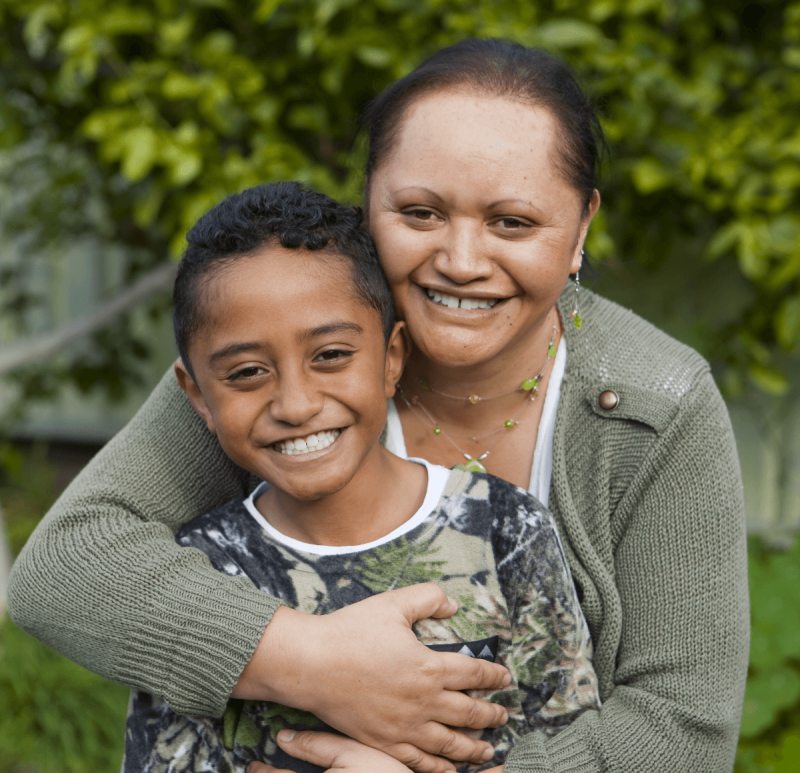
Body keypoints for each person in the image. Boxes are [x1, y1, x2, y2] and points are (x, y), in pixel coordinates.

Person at [7, 38, 749, 773]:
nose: (460, 261)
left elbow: (681, 728)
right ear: (370, 198)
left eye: (512, 223)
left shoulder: (657, 409)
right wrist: (311, 661)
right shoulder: (301, 359)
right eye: (421, 213)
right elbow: (67, 565)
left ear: (581, 226)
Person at [123, 181, 600, 772]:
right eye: (247, 372)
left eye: (330, 356)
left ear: (391, 358)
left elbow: (574, 749)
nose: (295, 404)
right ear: (196, 393)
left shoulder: (507, 529)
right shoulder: (194, 575)